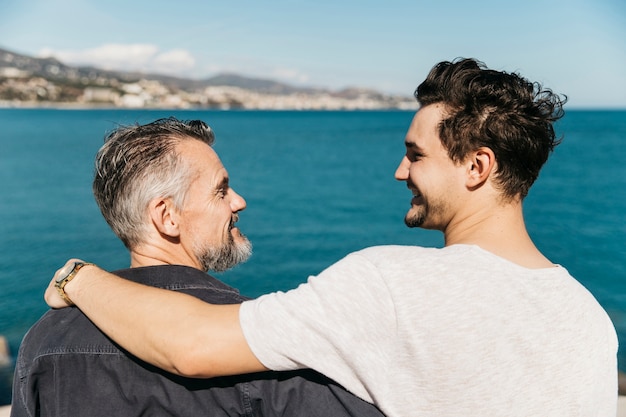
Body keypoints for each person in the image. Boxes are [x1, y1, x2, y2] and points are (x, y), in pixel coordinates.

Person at [45, 59, 618, 417]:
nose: (400, 171)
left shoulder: (393, 283)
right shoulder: (589, 318)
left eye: (415, 154)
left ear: (477, 167)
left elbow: (191, 346)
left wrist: (80, 277)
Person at [13, 118, 385, 417]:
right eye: (221, 190)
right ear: (167, 217)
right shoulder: (251, 339)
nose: (239, 201)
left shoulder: (44, 339)